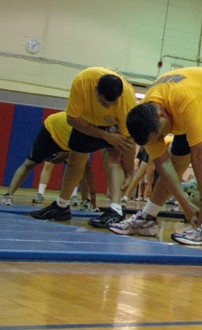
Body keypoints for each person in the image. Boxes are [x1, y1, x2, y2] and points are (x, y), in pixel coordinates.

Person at [111, 67, 202, 245]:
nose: (161, 140)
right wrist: (186, 206)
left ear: (162, 115)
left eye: (159, 137)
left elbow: (200, 156)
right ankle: (148, 218)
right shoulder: (147, 117)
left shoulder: (184, 100)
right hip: (189, 105)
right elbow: (165, 169)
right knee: (174, 164)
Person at [28, 69, 136, 227]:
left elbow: (128, 142)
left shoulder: (127, 101)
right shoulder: (82, 82)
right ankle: (62, 206)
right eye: (104, 102)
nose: (107, 106)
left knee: (113, 157)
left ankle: (116, 210)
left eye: (111, 104)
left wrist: (129, 173)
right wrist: (105, 135)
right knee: (75, 159)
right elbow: (72, 119)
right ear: (95, 89)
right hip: (86, 122)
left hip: (113, 125)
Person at [2, 112, 75, 207]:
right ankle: (8, 195)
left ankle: (79, 200)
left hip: (69, 138)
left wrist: (65, 155)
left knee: (78, 166)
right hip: (52, 129)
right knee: (30, 163)